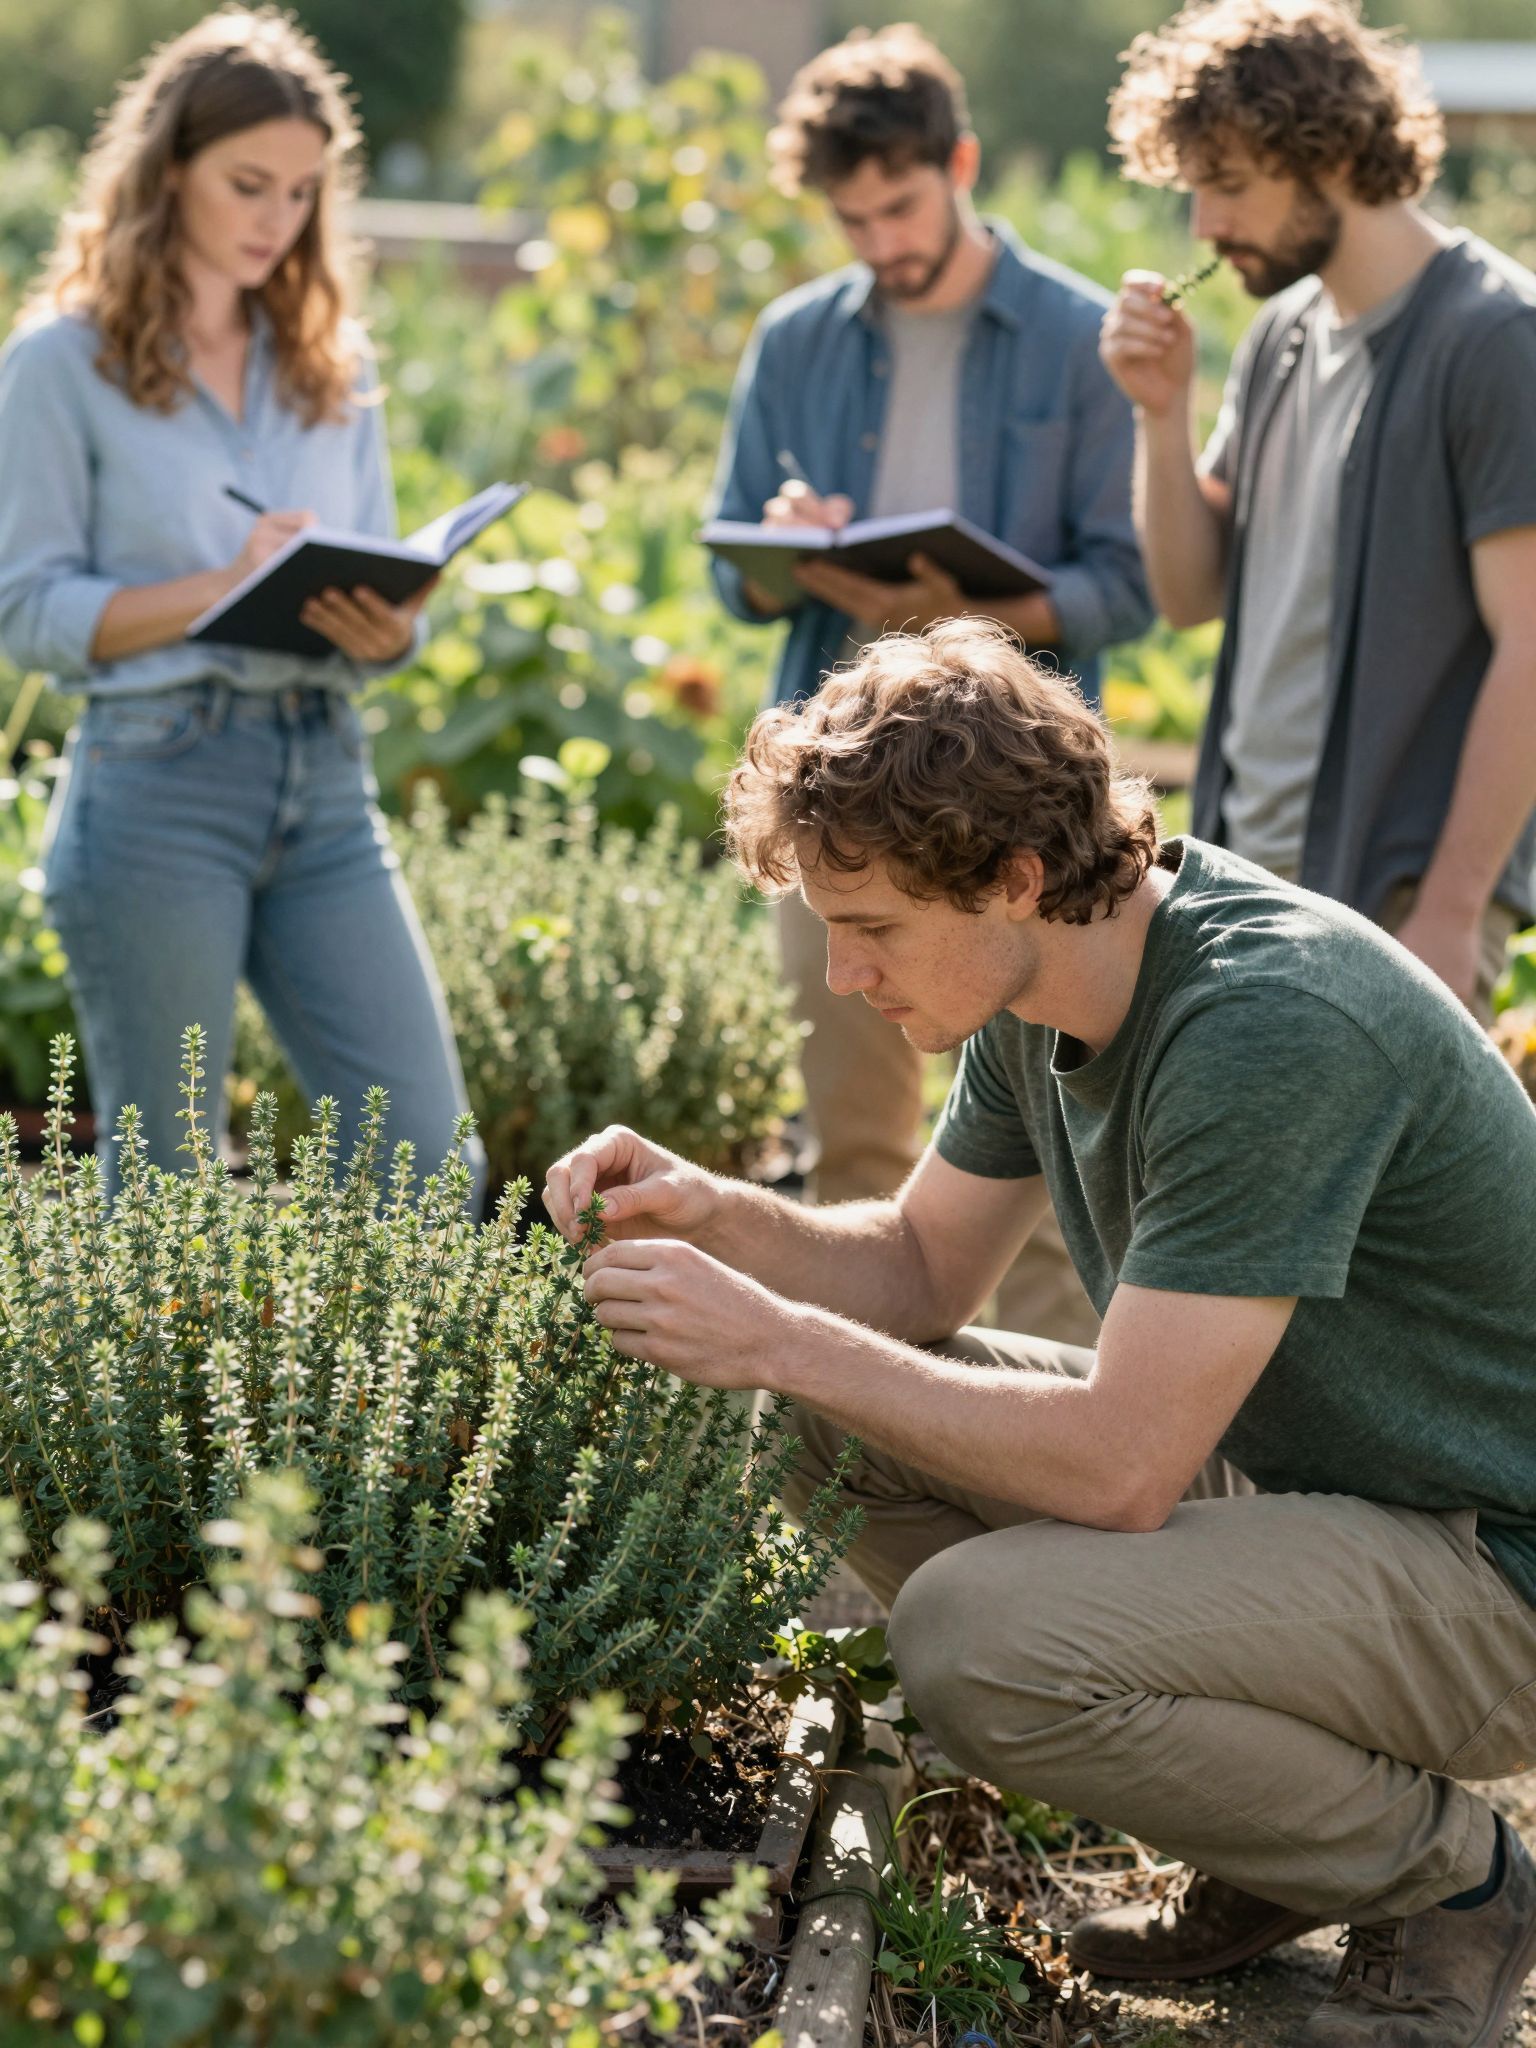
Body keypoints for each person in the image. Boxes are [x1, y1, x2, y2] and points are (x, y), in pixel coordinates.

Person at [545, 619, 1536, 2047]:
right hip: (1335, 1496)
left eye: (869, 928)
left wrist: (769, 1335)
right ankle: (1281, 1834)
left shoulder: (1267, 1025)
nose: (840, 977)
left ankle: (1454, 1885)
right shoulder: (1044, 973)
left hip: (1497, 1561)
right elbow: (917, 1271)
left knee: (979, 1638)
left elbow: (1120, 1469)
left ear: (1011, 876)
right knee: (832, 1427)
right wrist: (718, 1215)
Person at [708, 25, 1150, 1341]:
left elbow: (1126, 588)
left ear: (958, 165)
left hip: (1009, 807)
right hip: (839, 794)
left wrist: (961, 609)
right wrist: (797, 546)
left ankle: (1049, 1443)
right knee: (854, 1143)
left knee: (1050, 1175)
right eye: (851, 218)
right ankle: (874, 1441)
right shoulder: (797, 340)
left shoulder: (1075, 337)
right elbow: (736, 573)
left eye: (899, 205)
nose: (880, 240)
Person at [0, 6, 485, 1204]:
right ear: (169, 173)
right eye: (248, 184)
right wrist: (221, 590)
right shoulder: (64, 364)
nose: (278, 220)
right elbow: (24, 609)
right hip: (156, 783)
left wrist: (389, 628)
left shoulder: (335, 362)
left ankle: (387, 1400)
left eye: (303, 193)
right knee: (163, 1185)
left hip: (325, 782)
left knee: (428, 1159)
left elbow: (369, 569)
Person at [1098, 0, 1536, 1025]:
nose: (1204, 226)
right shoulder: (1282, 336)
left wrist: (1452, 908)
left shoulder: (1493, 342)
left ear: (1331, 154)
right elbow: (1192, 592)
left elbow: (1533, 642)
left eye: (1232, 187)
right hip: (1248, 874)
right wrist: (1160, 418)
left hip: (1395, 895)